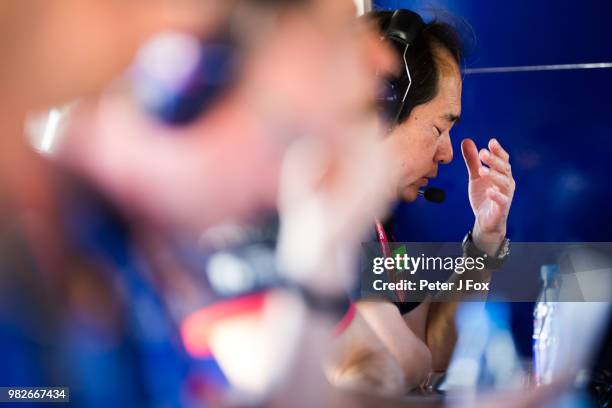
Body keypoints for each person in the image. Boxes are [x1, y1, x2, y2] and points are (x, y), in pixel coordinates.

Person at [329, 8, 517, 393]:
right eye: (437, 127)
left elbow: (433, 343)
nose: (447, 152)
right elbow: (396, 359)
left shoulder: (379, 224)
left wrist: (486, 239)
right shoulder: (326, 215)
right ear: (379, 109)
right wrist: (414, 357)